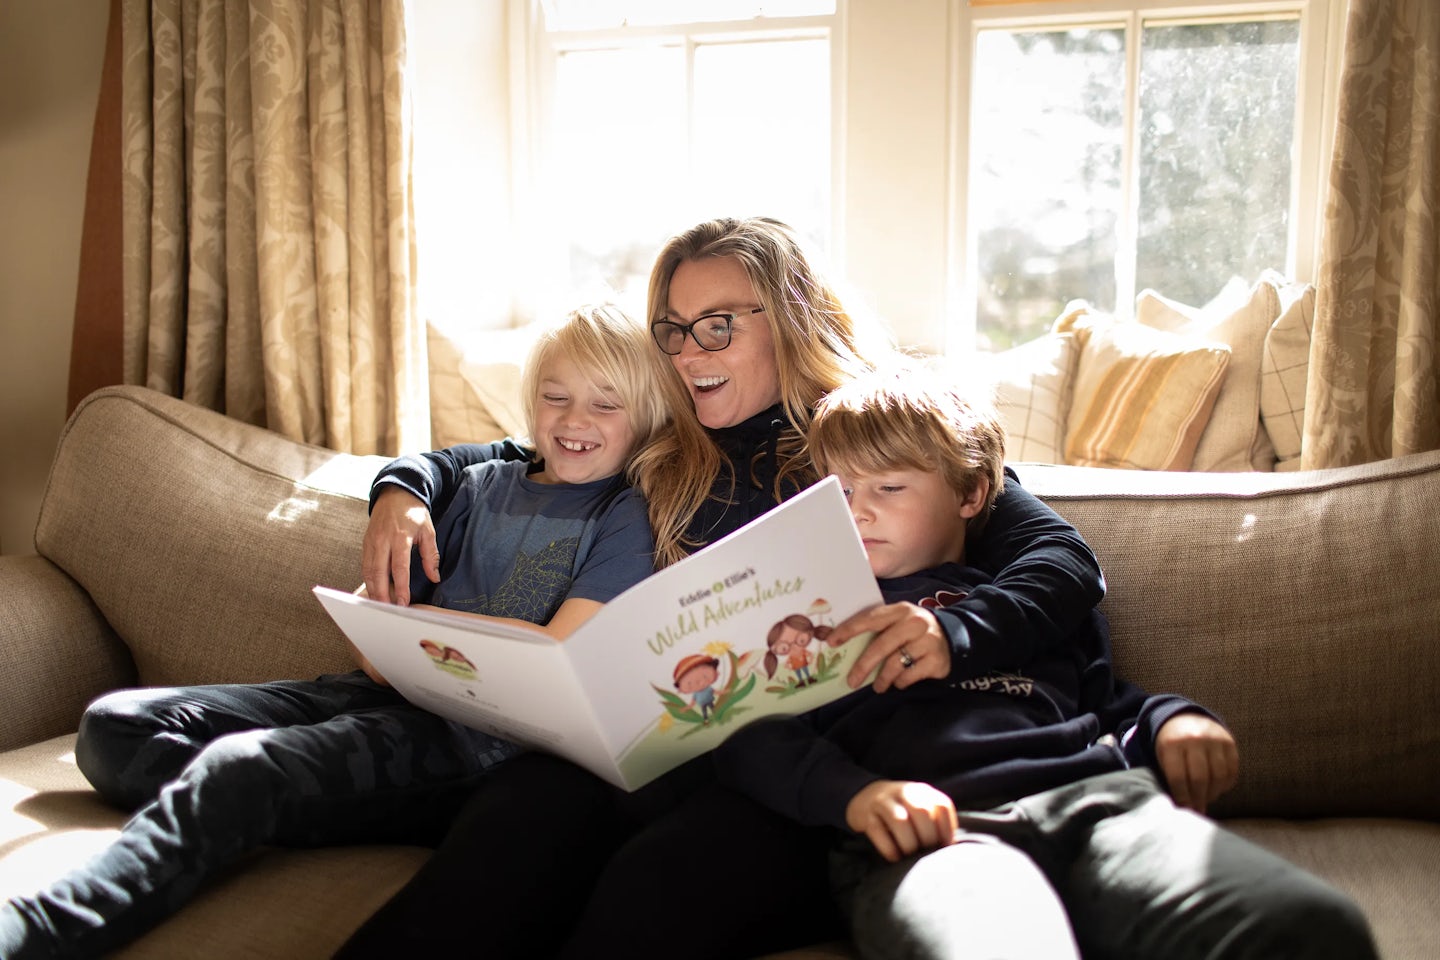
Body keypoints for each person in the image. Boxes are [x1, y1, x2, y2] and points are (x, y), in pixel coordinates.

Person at [335, 216, 1109, 959]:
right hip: (653, 746)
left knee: (659, 887)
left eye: (718, 325)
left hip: (803, 757)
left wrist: (953, 633)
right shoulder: (658, 442)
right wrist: (402, 488)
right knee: (518, 822)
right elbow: (505, 453)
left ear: (792, 318)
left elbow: (1062, 561)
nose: (686, 350)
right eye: (671, 328)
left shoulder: (880, 434)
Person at [0, 305, 671, 960]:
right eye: (556, 397)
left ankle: (41, 926)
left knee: (242, 768)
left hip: (469, 743)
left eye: (605, 406)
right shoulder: (478, 486)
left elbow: (556, 653)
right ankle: (269, 802)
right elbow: (380, 646)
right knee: (114, 728)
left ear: (644, 420)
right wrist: (381, 617)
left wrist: (403, 628)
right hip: (378, 691)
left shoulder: (627, 515)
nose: (575, 420)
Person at [713, 365, 1378, 960]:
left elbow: (1104, 697)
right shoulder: (810, 615)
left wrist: (1174, 719)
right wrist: (857, 796)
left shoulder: (1021, 599)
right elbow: (752, 736)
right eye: (840, 488)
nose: (858, 510)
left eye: (888, 487)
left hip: (1101, 806)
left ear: (972, 496)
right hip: (943, 840)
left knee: (1312, 924)